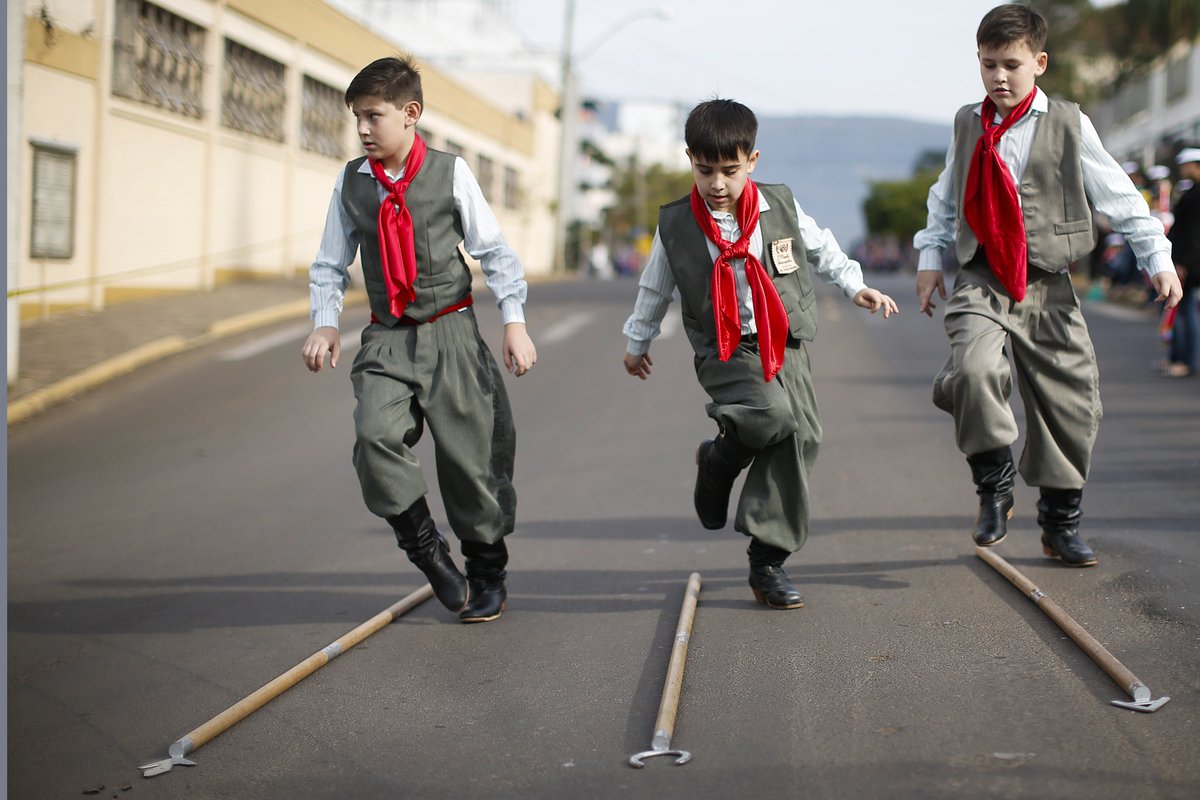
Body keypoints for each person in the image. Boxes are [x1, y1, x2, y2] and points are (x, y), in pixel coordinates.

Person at [914, 5, 1182, 567]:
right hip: (983, 276)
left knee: (1071, 405)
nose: (999, 77)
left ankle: (1060, 525)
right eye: (988, 65)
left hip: (1048, 283)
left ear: (1039, 62)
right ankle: (994, 485)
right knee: (974, 369)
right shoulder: (968, 122)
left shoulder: (1068, 122)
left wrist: (1156, 256)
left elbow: (1120, 197)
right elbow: (945, 193)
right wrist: (929, 257)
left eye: (1011, 64)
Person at [621, 99, 898, 609]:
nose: (718, 184)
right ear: (690, 160)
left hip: (783, 340)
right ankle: (721, 459)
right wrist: (637, 342)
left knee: (801, 437)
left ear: (753, 160)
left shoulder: (781, 206)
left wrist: (855, 286)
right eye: (706, 171)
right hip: (724, 347)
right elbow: (654, 286)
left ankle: (767, 559)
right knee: (772, 413)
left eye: (730, 170)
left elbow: (823, 248)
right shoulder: (678, 223)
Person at [301, 56, 537, 623]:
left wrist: (514, 321)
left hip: (451, 331)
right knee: (374, 436)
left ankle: (486, 574)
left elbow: (494, 253)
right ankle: (428, 551)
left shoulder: (450, 173)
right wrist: (325, 322)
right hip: (387, 337)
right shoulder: (351, 182)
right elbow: (331, 263)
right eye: (357, 117)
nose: (362, 129)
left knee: (471, 463)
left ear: (411, 115)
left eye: (373, 116)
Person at [1165, 147, 1200, 378]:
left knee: (1186, 312)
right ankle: (1179, 358)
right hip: (1186, 262)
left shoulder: (1196, 196)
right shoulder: (1192, 192)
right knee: (1183, 311)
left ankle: (1188, 362)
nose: (1183, 169)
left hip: (1189, 264)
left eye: (1186, 165)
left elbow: (1194, 235)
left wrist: (1183, 263)